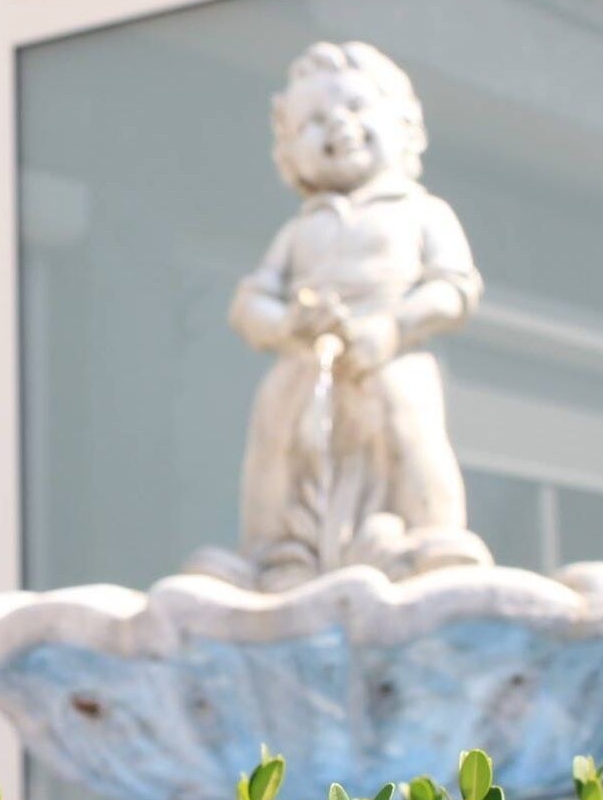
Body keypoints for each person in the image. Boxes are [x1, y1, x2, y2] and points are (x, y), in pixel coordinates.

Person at [193, 42, 493, 590]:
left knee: (407, 421)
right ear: (288, 151)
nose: (337, 124)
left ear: (405, 126)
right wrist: (287, 324)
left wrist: (394, 328)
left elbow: (454, 288)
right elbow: (250, 302)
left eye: (356, 107)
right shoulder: (299, 230)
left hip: (387, 354)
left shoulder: (421, 213)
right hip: (309, 357)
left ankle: (431, 536)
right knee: (275, 428)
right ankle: (272, 550)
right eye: (314, 120)